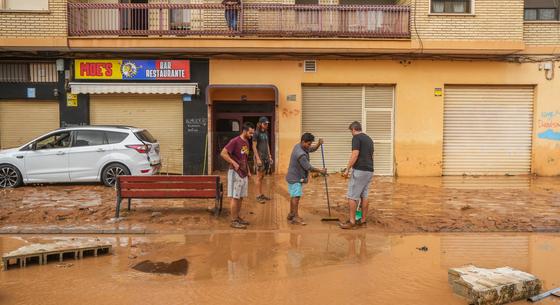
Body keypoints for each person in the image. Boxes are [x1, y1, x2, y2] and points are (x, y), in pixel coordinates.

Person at [285, 133, 326, 225]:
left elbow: (311, 149)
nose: (309, 146)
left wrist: (318, 144)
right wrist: (321, 171)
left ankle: (291, 214)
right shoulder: (300, 154)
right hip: (296, 177)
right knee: (296, 197)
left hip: (292, 176)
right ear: (303, 142)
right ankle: (295, 217)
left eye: (310, 144)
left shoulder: (299, 146)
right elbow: (308, 167)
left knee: (293, 195)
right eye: (308, 144)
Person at [340, 121, 374, 230]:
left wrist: (347, 169)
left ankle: (352, 221)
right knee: (364, 195)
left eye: (351, 131)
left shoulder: (356, 137)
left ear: (354, 129)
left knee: (352, 196)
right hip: (369, 170)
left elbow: (355, 154)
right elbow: (371, 155)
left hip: (359, 170)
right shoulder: (369, 139)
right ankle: (363, 220)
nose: (351, 133)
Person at [221, 122, 255, 229]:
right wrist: (233, 163)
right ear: (244, 131)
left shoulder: (247, 143)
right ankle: (233, 220)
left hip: (243, 173)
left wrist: (248, 171)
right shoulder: (235, 141)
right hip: (235, 173)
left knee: (240, 197)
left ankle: (237, 217)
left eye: (252, 133)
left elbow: (244, 158)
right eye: (250, 133)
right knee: (235, 197)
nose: (251, 135)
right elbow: (223, 153)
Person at [253, 116, 273, 203]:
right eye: (265, 124)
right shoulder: (256, 133)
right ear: (260, 124)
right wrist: (257, 159)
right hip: (260, 157)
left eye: (267, 124)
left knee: (262, 177)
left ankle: (261, 194)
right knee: (258, 177)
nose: (266, 125)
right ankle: (258, 196)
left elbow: (267, 144)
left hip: (266, 157)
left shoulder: (265, 133)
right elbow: (253, 147)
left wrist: (270, 156)